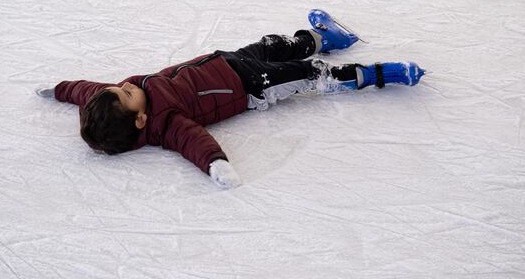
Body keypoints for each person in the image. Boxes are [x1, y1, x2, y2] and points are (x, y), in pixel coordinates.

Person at [36, 10, 425, 189]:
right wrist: (215, 164)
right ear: (139, 121)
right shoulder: (165, 122)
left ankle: (324, 37)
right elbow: (194, 142)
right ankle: (378, 75)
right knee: (308, 75)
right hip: (254, 86)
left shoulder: (114, 97)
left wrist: (59, 89)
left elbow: (84, 90)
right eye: (125, 93)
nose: (125, 84)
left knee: (277, 44)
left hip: (233, 59)